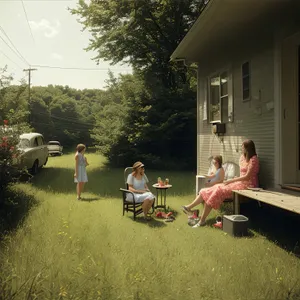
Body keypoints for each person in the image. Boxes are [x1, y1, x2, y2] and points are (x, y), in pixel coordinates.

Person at [182, 139, 259, 228]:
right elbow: (242, 174)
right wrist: (234, 179)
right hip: (238, 182)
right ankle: (189, 207)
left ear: (247, 148)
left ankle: (202, 221)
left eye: (243, 147)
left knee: (217, 191)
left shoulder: (254, 160)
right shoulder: (242, 157)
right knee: (211, 188)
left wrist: (231, 180)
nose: (241, 149)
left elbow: (247, 177)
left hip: (248, 186)